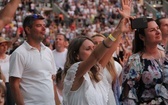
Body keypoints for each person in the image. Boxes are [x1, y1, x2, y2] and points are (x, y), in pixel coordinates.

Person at [9, 14, 57, 105]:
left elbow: (51, 80)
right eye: (39, 26)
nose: (44, 29)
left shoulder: (48, 52)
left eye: (44, 26)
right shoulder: (19, 53)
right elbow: (14, 84)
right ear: (28, 29)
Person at [120, 18, 166, 105]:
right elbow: (128, 95)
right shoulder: (135, 61)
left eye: (158, 28)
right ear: (142, 37)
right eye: (152, 30)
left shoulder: (166, 53)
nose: (157, 32)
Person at [91, 34, 122, 105]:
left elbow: (118, 88)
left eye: (102, 43)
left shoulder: (116, 66)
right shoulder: (87, 66)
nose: (99, 45)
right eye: (95, 43)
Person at [0, 37, 16, 105]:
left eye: (6, 45)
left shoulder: (10, 58)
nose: (4, 47)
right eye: (2, 45)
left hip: (10, 85)